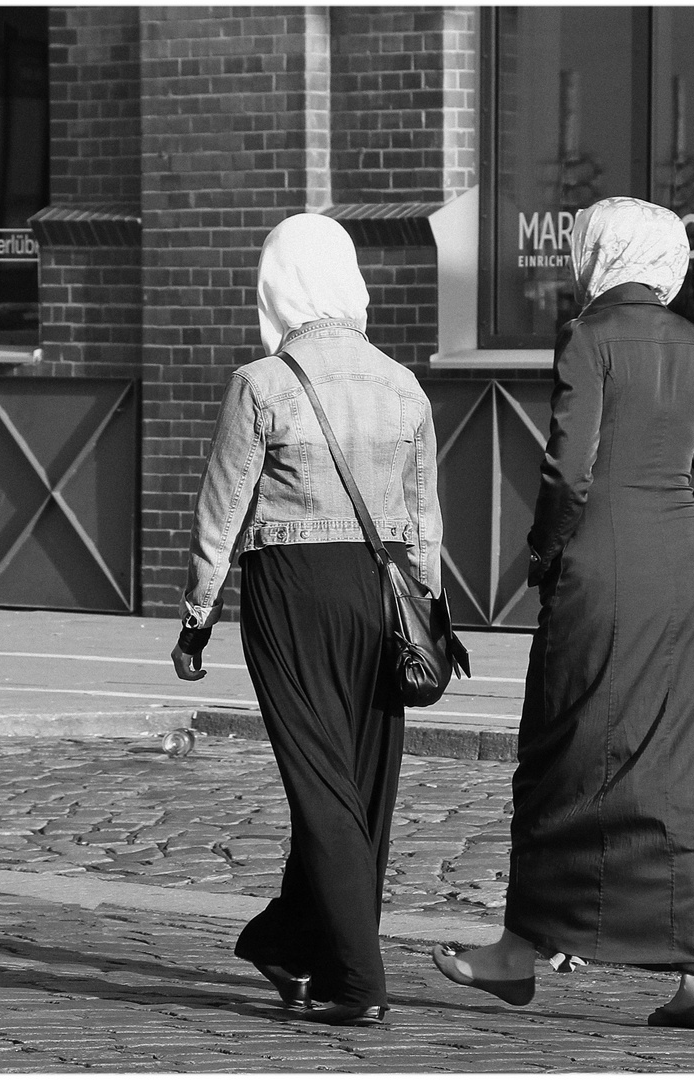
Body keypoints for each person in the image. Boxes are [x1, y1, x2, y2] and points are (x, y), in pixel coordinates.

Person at [430, 196, 694, 1031]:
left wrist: (548, 555)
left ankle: (520, 952)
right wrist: (679, 544)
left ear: (600, 253)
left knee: (564, 748)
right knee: (688, 764)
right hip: (684, 581)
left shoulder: (589, 338)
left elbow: (567, 471)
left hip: (600, 572)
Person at [172, 212, 443, 1027]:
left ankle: (358, 981)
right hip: (386, 593)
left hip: (292, 591)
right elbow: (427, 517)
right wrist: (428, 613)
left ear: (278, 284)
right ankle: (295, 945)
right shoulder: (404, 383)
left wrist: (196, 620)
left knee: (321, 787)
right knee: (361, 787)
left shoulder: (263, 382)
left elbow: (220, 514)